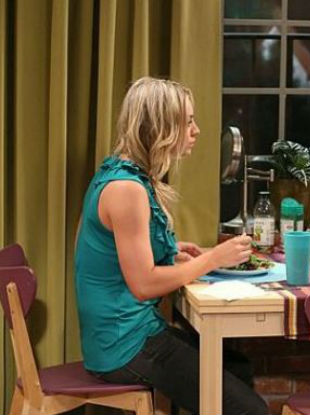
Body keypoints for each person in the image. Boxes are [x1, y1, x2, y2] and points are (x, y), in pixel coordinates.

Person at [75, 77, 269, 415]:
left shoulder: (122, 173)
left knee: (236, 368)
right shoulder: (126, 189)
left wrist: (171, 250)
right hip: (124, 344)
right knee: (250, 410)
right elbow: (143, 284)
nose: (196, 130)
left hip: (127, 333)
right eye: (187, 121)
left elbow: (121, 254)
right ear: (160, 127)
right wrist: (212, 259)